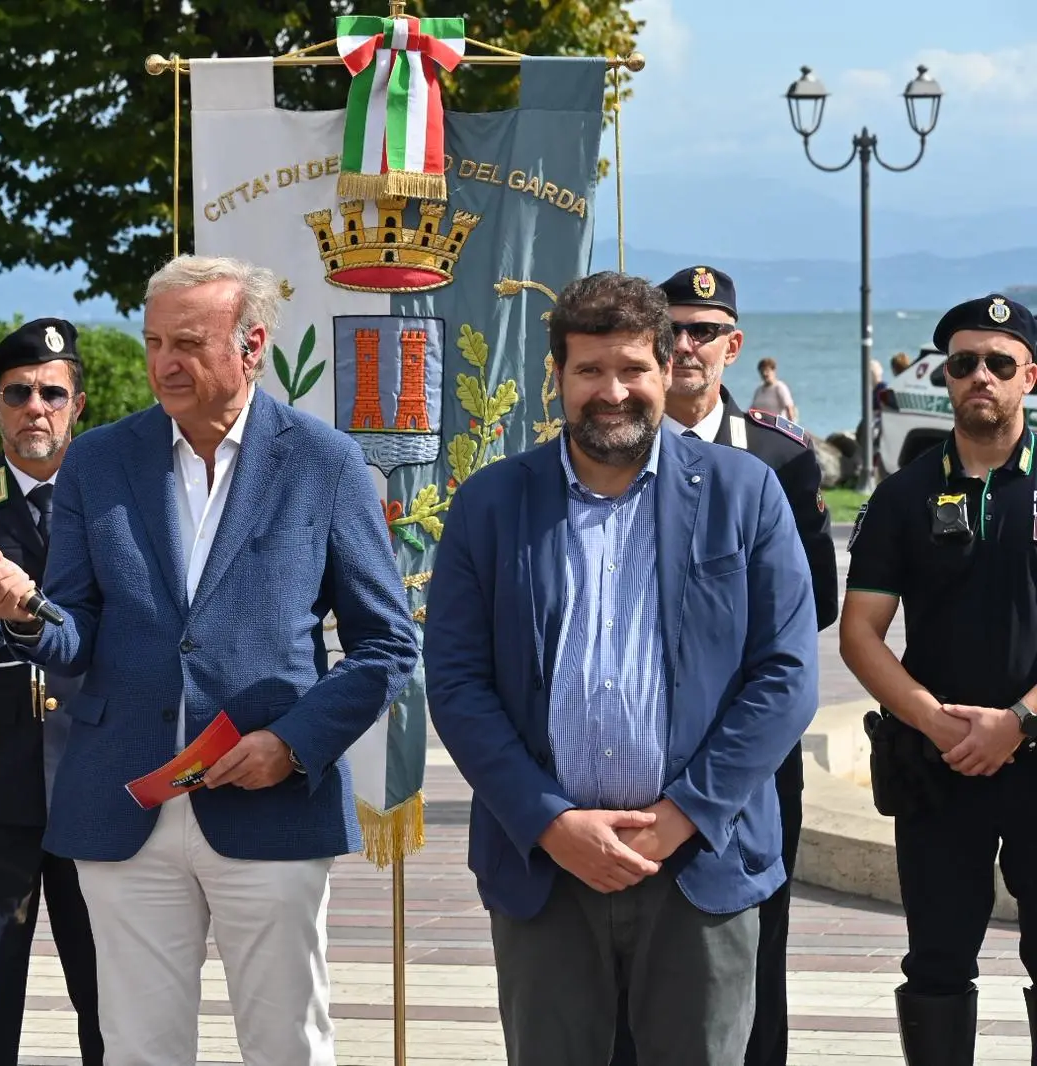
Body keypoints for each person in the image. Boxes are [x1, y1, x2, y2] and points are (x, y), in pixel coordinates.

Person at [0, 255, 419, 1065]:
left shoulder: (324, 462)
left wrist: (291, 744)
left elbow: (387, 643)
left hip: (272, 802)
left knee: (286, 1043)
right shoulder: (99, 462)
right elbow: (76, 636)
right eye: (151, 343)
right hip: (123, 803)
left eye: (187, 343)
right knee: (139, 1047)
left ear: (253, 347)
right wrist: (28, 618)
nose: (164, 364)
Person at [425, 271, 819, 1066]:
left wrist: (684, 814)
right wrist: (549, 820)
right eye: (590, 370)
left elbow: (785, 676)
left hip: (699, 863)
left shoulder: (747, 494)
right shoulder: (491, 503)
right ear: (557, 379)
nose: (613, 391)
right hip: (545, 865)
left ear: (667, 371)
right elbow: (459, 683)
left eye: (633, 369)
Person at [632, 264, 838, 1066]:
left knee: (758, 932)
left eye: (704, 332)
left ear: (734, 346)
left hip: (747, 747)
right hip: (634, 740)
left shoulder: (781, 461)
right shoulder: (613, 443)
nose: (687, 345)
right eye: (673, 329)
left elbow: (811, 604)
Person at [840, 293, 1037, 1064]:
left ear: (1030, 374)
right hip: (938, 766)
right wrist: (931, 720)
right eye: (963, 364)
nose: (978, 376)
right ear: (946, 378)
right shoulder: (904, 494)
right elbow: (861, 632)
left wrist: (1016, 721)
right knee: (936, 963)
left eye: (997, 362)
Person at [0, 319, 103, 1066]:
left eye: (52, 393)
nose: (37, 407)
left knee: (113, 993)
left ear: (79, 405)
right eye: (19, 393)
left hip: (99, 777)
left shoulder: (120, 501)